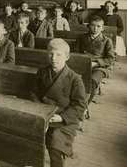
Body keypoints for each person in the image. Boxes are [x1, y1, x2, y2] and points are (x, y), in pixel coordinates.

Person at [31, 39, 86, 167]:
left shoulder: (75, 79)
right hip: (42, 114)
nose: (53, 58)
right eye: (50, 54)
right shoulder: (42, 72)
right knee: (25, 139)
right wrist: (40, 110)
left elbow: (80, 105)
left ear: (67, 57)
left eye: (58, 55)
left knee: (55, 145)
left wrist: (61, 117)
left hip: (63, 120)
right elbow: (33, 93)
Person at [80, 15, 115, 104]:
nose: (95, 28)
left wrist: (96, 63)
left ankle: (84, 104)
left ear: (102, 28)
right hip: (82, 64)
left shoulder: (107, 41)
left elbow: (110, 59)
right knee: (72, 78)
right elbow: (75, 53)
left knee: (92, 80)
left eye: (98, 26)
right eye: (93, 25)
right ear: (88, 26)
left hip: (99, 67)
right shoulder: (82, 38)